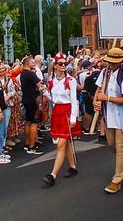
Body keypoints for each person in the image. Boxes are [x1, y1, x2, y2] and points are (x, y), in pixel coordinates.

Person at [93, 48, 123, 194]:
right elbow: (98, 91)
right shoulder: (104, 73)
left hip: (122, 118)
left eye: (114, 61)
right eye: (110, 61)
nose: (111, 64)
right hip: (108, 117)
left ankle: (117, 180)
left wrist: (108, 98)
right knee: (112, 145)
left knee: (121, 149)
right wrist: (95, 101)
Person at [42, 53, 81, 186]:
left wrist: (73, 118)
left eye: (65, 64)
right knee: (66, 142)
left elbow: (74, 101)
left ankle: (52, 175)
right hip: (57, 113)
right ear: (55, 66)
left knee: (61, 145)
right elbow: (54, 99)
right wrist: (44, 92)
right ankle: (73, 167)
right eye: (61, 64)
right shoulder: (52, 82)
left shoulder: (71, 81)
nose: (64, 66)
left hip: (67, 113)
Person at [20, 57, 44, 155]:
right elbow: (40, 86)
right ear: (27, 63)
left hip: (25, 98)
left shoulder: (22, 74)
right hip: (32, 100)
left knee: (28, 121)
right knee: (34, 122)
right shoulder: (31, 74)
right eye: (32, 62)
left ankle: (27, 143)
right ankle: (32, 146)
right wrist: (44, 87)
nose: (34, 64)